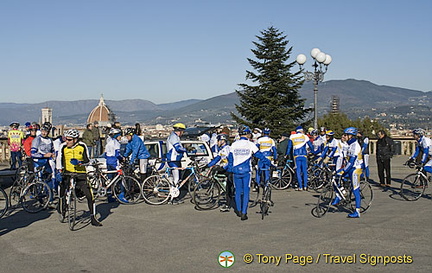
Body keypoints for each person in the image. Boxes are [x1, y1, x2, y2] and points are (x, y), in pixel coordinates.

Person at [56, 129, 102, 227]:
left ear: (75, 140)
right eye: (66, 139)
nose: (67, 141)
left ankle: (93, 217)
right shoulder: (63, 146)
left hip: (80, 173)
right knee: (62, 191)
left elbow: (87, 160)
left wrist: (80, 162)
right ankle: (63, 208)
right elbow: (59, 159)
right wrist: (59, 170)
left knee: (89, 195)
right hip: (67, 172)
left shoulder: (82, 146)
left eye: (69, 140)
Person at [227, 125, 269, 221]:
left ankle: (238, 210)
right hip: (246, 171)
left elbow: (230, 158)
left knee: (237, 191)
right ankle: (244, 213)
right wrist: (268, 163)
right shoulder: (250, 144)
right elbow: (259, 155)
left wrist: (230, 169)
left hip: (236, 171)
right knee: (246, 191)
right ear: (248, 134)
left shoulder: (234, 144)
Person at [334, 127, 363, 218]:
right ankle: (340, 194)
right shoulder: (349, 144)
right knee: (337, 178)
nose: (344, 136)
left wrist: (343, 170)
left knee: (355, 189)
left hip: (356, 169)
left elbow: (351, 161)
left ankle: (357, 211)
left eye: (346, 135)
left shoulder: (355, 145)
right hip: (350, 167)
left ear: (351, 136)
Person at [206, 134, 232, 212]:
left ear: (222, 141)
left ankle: (228, 205)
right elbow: (217, 159)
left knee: (228, 188)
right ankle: (221, 186)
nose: (217, 142)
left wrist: (223, 168)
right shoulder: (222, 149)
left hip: (229, 169)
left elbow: (230, 161)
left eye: (218, 140)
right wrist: (208, 165)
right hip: (225, 168)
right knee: (215, 171)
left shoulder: (228, 149)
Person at [287, 126, 315, 191]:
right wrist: (312, 152)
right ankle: (305, 186)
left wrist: (287, 154)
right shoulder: (305, 136)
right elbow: (311, 146)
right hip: (304, 155)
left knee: (298, 171)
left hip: (296, 155)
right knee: (304, 171)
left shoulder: (292, 136)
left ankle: (300, 187)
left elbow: (289, 147)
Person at [166, 123, 188, 204]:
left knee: (177, 179)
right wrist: (186, 149)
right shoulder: (173, 137)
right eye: (182, 131)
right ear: (180, 131)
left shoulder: (175, 136)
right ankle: (173, 199)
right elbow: (178, 148)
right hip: (173, 160)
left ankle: (175, 196)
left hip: (176, 160)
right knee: (176, 179)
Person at [31, 122, 56, 192]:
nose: (44, 133)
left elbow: (52, 149)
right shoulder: (37, 140)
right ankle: (38, 194)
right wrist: (43, 155)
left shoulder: (50, 140)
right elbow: (33, 154)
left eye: (46, 131)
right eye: (43, 131)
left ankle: (49, 196)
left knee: (49, 178)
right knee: (39, 180)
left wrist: (53, 154)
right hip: (38, 162)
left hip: (46, 162)